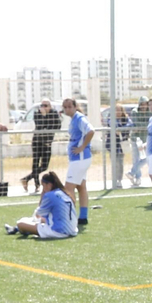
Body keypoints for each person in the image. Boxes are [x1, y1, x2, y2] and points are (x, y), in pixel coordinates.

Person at [6, 170, 76, 239]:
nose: (43, 189)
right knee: (37, 220)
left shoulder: (49, 195)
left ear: (49, 185)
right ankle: (19, 229)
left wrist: (43, 194)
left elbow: (37, 215)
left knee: (21, 224)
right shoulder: (64, 192)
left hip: (58, 231)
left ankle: (18, 229)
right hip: (72, 230)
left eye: (43, 186)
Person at [61, 98, 94, 228]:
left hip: (79, 159)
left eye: (69, 107)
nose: (67, 109)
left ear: (75, 107)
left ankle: (70, 218)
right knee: (81, 187)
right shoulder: (74, 119)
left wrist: (82, 147)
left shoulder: (79, 118)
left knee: (68, 189)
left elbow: (91, 131)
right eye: (65, 107)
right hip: (80, 160)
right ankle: (83, 217)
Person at [25, 99, 58, 192]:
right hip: (37, 141)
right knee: (35, 163)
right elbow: (39, 126)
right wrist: (44, 116)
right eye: (42, 105)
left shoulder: (54, 114)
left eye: (46, 105)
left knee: (44, 165)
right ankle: (36, 184)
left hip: (47, 142)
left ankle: (26, 179)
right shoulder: (37, 114)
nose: (43, 107)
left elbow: (57, 126)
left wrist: (47, 121)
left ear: (50, 106)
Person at [126, 99, 152, 186]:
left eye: (145, 104)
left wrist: (144, 126)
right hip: (136, 138)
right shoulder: (135, 111)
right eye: (142, 104)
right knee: (136, 159)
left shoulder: (150, 112)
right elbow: (137, 123)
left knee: (147, 157)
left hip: (146, 138)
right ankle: (138, 178)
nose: (143, 106)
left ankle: (131, 172)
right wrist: (144, 126)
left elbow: (150, 124)